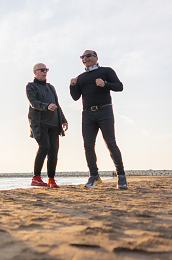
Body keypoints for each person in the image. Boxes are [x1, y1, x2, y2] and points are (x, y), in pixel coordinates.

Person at [70, 50, 127, 189]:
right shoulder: (80, 77)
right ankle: (94, 176)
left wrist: (105, 84)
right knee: (88, 146)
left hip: (105, 111)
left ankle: (121, 176)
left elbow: (120, 87)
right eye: (82, 57)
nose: (85, 58)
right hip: (87, 114)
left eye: (88, 56)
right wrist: (72, 86)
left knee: (111, 143)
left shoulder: (106, 71)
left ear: (96, 57)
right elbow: (75, 97)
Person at [26, 63, 68, 188]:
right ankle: (36, 177)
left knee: (54, 151)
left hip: (54, 124)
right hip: (40, 123)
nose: (45, 72)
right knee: (44, 146)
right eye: (42, 70)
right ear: (35, 72)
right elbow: (33, 103)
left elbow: (57, 104)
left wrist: (63, 120)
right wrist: (46, 106)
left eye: (46, 70)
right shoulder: (30, 86)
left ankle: (51, 179)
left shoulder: (51, 87)